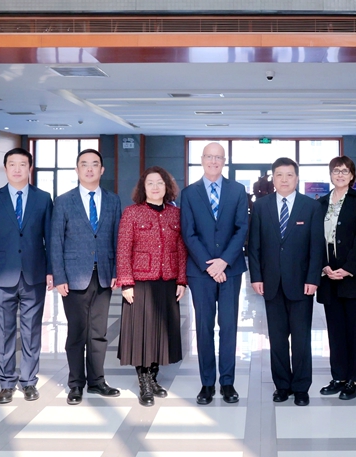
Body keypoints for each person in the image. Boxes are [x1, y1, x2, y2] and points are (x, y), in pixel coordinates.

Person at [0, 147, 54, 405]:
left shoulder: (43, 198)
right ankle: (7, 382)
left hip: (34, 274)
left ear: (30, 168)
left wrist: (51, 271)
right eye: (12, 164)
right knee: (4, 331)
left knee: (32, 330)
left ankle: (29, 381)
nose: (18, 169)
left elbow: (50, 239)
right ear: (5, 168)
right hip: (1, 276)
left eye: (23, 164)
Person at [248, 157, 323, 407]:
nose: (284, 179)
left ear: (297, 178)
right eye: (279, 175)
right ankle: (282, 385)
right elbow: (254, 245)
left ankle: (301, 387)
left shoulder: (310, 207)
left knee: (301, 339)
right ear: (273, 178)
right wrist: (256, 277)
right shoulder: (261, 206)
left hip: (301, 283)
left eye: (289, 175)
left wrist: (313, 278)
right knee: (277, 338)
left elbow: (316, 246)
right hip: (271, 283)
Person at [50, 149, 122, 406]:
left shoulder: (113, 200)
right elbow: (56, 241)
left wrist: (117, 271)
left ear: (102, 170)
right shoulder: (63, 201)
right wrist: (59, 276)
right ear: (77, 169)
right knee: (77, 332)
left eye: (94, 164)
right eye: (84, 164)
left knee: (99, 332)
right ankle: (76, 384)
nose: (89, 169)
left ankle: (97, 381)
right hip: (73, 276)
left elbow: (118, 238)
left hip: (104, 274)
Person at [179, 142, 248, 405]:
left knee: (228, 327)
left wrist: (224, 262)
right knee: (204, 327)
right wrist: (210, 265)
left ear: (224, 160)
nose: (214, 161)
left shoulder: (237, 190)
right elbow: (188, 233)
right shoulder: (189, 193)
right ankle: (207, 383)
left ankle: (227, 382)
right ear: (202, 159)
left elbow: (242, 229)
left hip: (231, 270)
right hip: (201, 272)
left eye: (218, 157)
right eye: (209, 156)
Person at [116, 166, 187, 407]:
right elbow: (123, 249)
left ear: (167, 187)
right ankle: (144, 381)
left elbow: (181, 249)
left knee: (161, 333)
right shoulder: (132, 213)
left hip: (167, 281)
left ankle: (154, 377)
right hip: (140, 282)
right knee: (141, 333)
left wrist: (181, 279)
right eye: (150, 183)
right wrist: (126, 282)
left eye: (160, 183)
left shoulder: (175, 214)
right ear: (143, 188)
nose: (155, 187)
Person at [316, 156, 356, 401]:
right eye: (336, 171)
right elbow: (315, 239)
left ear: (352, 175)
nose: (340, 174)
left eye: (345, 171)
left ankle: (354, 379)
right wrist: (324, 266)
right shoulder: (320, 203)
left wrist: (348, 268)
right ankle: (339, 376)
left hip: (355, 276)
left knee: (355, 331)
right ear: (330, 174)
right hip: (328, 275)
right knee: (336, 331)